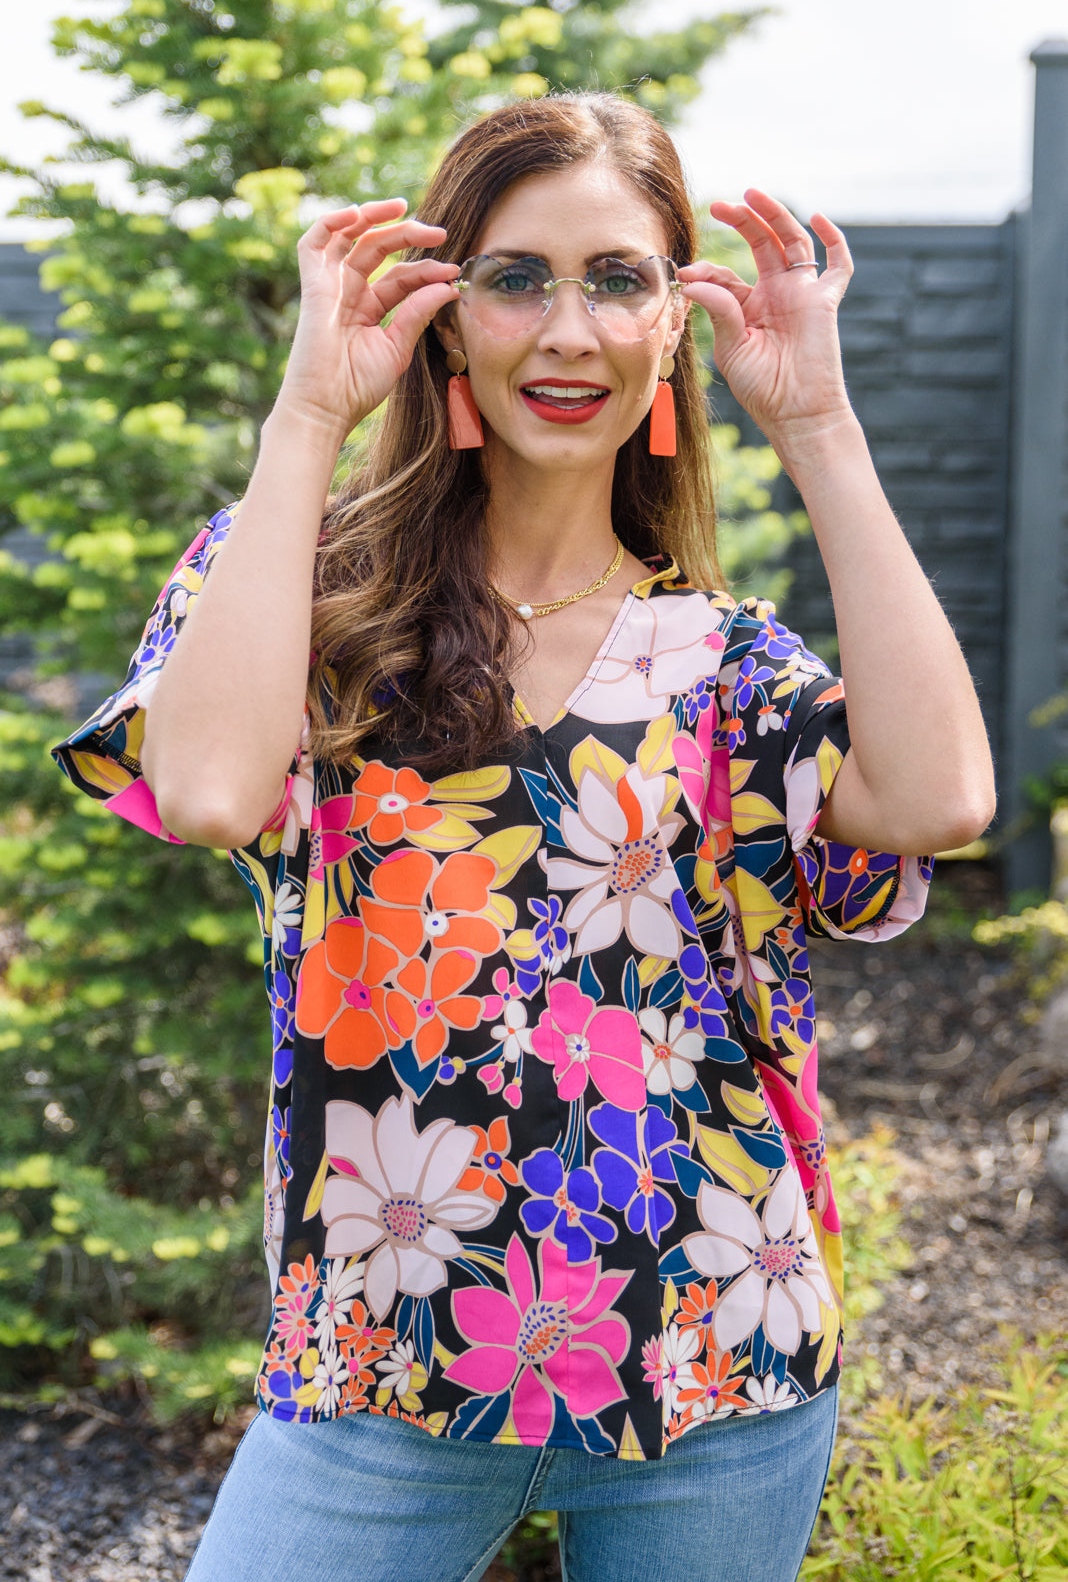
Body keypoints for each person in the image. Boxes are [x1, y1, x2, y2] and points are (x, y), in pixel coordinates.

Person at [53, 93, 996, 1582]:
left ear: (672, 326)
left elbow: (942, 800)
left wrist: (819, 429)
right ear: (447, 320)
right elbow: (213, 794)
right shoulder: (304, 599)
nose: (569, 331)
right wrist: (309, 416)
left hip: (717, 1365)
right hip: (379, 1372)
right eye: (516, 279)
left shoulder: (727, 666)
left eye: (617, 279)